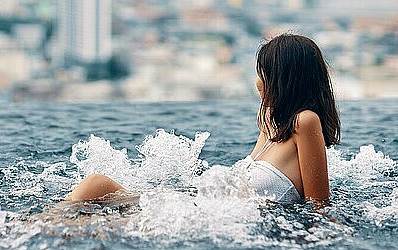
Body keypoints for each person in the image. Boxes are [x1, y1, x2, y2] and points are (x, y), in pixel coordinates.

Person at [66, 33, 341, 208]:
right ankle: (33, 230)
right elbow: (264, 94)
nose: (259, 81)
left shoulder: (305, 122)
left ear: (284, 79)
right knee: (96, 185)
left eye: (265, 73)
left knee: (95, 194)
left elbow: (319, 205)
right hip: (197, 207)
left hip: (206, 219)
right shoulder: (271, 123)